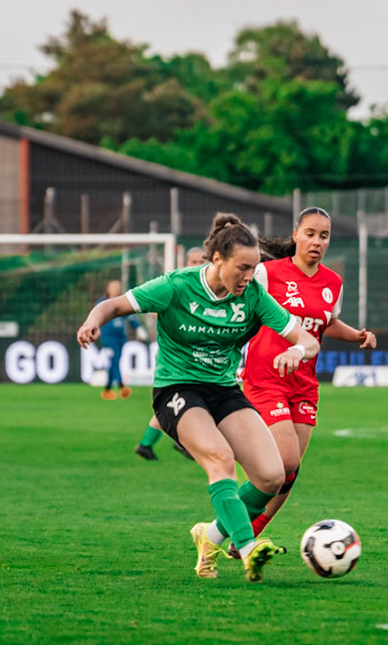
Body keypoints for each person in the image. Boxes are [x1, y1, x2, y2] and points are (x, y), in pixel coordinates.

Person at [79, 216, 319, 581]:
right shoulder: (176, 286)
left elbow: (307, 339)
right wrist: (92, 322)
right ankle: (248, 548)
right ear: (217, 259)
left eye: (253, 268)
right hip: (176, 389)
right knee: (219, 458)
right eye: (242, 268)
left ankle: (210, 537)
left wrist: (296, 352)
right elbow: (113, 306)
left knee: (273, 476)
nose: (249, 276)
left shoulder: (253, 295)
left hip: (223, 390)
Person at [238, 207, 379, 540]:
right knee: (284, 461)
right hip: (266, 377)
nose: (317, 241)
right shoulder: (267, 274)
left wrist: (357, 335)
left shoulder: (333, 282)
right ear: (296, 235)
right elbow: (240, 309)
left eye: (324, 236)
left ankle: (254, 528)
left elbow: (327, 322)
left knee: (290, 471)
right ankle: (230, 524)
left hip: (303, 384)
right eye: (310, 233)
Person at [135, 246, 205, 461]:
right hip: (178, 358)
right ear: (185, 264)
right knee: (189, 399)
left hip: (199, 358)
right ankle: (182, 440)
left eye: (202, 261)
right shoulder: (175, 285)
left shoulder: (211, 288)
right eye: (193, 261)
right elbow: (155, 310)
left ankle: (149, 444)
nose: (198, 265)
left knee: (180, 402)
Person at [94, 279, 136, 400]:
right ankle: (122, 387)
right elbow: (96, 316)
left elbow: (131, 316)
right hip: (108, 337)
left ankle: (107, 389)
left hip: (120, 336)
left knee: (114, 362)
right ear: (108, 288)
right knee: (114, 360)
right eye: (114, 286)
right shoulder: (102, 303)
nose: (116, 289)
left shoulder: (122, 301)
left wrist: (138, 328)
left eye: (118, 286)